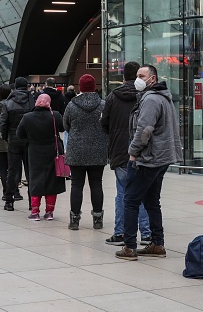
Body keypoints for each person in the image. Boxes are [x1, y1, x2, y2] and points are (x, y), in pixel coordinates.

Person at [115, 65, 183, 261]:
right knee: (152, 201)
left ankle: (129, 247)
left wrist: (133, 153)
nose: (137, 79)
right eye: (137, 75)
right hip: (161, 157)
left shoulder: (151, 99)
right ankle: (157, 244)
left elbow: (144, 130)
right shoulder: (163, 97)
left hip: (148, 158)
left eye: (141, 76)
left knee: (130, 200)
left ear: (152, 79)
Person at [101, 61, 151, 246]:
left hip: (120, 151)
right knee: (143, 192)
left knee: (122, 193)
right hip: (143, 151)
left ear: (123, 76)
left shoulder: (113, 97)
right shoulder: (146, 95)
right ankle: (146, 234)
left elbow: (104, 122)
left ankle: (120, 233)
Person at [63, 74, 108, 230]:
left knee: (76, 185)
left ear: (80, 87)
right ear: (94, 86)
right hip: (98, 150)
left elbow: (66, 125)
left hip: (77, 150)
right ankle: (97, 219)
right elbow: (107, 125)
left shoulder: (71, 105)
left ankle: (74, 219)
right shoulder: (103, 105)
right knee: (96, 184)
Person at [17, 94, 66, 220]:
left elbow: (19, 134)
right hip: (53, 150)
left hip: (34, 151)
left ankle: (35, 212)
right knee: (52, 181)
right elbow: (62, 128)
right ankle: (49, 212)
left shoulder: (27, 117)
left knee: (35, 180)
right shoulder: (55, 115)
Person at [0, 77, 34, 210]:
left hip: (13, 139)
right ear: (26, 86)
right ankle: (33, 202)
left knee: (12, 171)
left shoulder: (8, 102)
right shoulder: (32, 101)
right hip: (29, 140)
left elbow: (3, 123)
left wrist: (5, 137)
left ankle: (9, 201)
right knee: (30, 171)